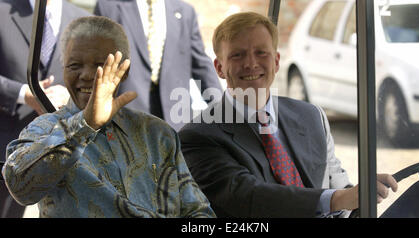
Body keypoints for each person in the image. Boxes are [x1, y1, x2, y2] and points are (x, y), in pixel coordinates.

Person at [178, 12, 398, 218]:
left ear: (275, 61)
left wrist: (364, 196)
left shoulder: (311, 116)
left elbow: (340, 188)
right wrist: (339, 199)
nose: (251, 63)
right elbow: (248, 197)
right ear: (219, 68)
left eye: (261, 53)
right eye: (238, 55)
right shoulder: (198, 136)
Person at [1, 16, 215, 218]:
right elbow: (20, 187)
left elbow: (197, 209)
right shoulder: (44, 128)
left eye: (100, 65)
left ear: (125, 70)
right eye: (74, 65)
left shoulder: (156, 133)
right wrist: (85, 125)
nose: (86, 75)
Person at [0, 0, 90, 218]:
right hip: (6, 146)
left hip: (63, 149)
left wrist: (71, 96)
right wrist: (24, 94)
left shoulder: (83, 18)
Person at [94, 0, 223, 131]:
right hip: (126, 118)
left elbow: (201, 65)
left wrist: (222, 111)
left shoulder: (185, 12)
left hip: (176, 118)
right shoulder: (108, 6)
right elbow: (96, 60)